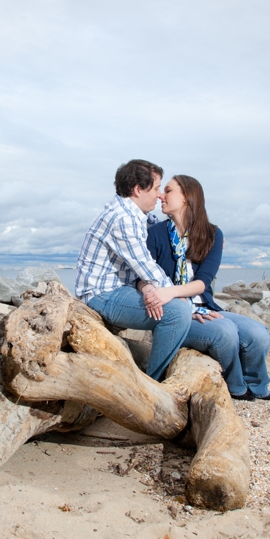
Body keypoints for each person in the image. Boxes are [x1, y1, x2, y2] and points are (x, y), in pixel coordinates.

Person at [144, 174, 270, 402]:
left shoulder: (212, 234)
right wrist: (177, 303)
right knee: (225, 332)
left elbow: (203, 282)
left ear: (187, 197)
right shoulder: (155, 235)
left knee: (257, 333)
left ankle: (259, 387)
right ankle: (237, 389)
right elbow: (147, 278)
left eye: (168, 190)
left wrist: (174, 292)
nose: (161, 195)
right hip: (174, 313)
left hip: (204, 306)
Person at [75, 160, 193, 381]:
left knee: (173, 307)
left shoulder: (134, 215)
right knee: (177, 313)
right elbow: (147, 266)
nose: (160, 195)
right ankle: (154, 384)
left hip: (120, 289)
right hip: (101, 295)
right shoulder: (122, 218)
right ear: (138, 189)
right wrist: (178, 294)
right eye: (157, 188)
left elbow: (163, 229)